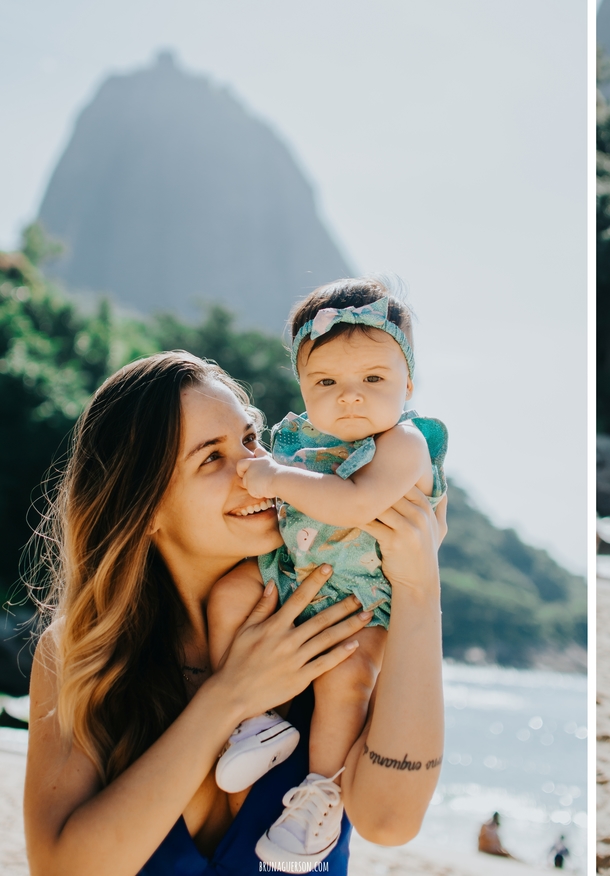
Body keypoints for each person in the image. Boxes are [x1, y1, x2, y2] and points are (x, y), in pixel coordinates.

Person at [23, 351, 447, 876]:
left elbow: (390, 822)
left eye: (250, 440)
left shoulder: (339, 632)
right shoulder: (83, 655)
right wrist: (230, 697)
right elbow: (62, 868)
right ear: (147, 507)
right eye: (211, 458)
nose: (253, 470)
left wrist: (419, 588)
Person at [205, 277, 448, 865]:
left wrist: (275, 480)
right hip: (291, 575)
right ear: (302, 387)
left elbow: (353, 503)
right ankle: (256, 720)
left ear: (408, 383)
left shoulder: (405, 444)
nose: (351, 397)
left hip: (362, 605)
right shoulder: (296, 441)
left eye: (373, 379)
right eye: (326, 382)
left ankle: (320, 793)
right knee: (230, 593)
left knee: (347, 680)